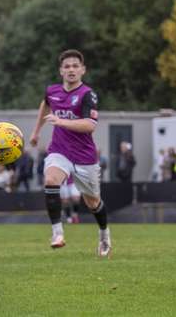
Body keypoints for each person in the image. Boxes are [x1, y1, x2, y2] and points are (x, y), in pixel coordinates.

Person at [29, 49, 111, 257]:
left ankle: (104, 235)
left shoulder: (87, 95)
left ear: (83, 70)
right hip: (60, 150)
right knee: (51, 179)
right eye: (67, 66)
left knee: (92, 202)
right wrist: (36, 131)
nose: (71, 69)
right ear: (61, 71)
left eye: (75, 66)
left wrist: (61, 121)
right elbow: (45, 105)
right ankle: (57, 233)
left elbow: (90, 125)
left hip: (84, 157)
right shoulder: (52, 91)